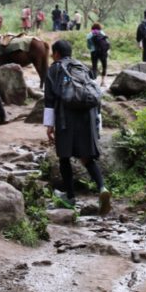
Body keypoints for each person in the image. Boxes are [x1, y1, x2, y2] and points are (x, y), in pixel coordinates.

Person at [43, 39, 109, 213]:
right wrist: (98, 122)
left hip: (66, 119)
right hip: (88, 117)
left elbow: (49, 99)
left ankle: (70, 197)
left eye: (52, 53)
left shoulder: (54, 69)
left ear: (56, 53)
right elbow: (96, 96)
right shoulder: (84, 67)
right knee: (87, 157)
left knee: (64, 157)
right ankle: (102, 188)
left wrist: (49, 125)